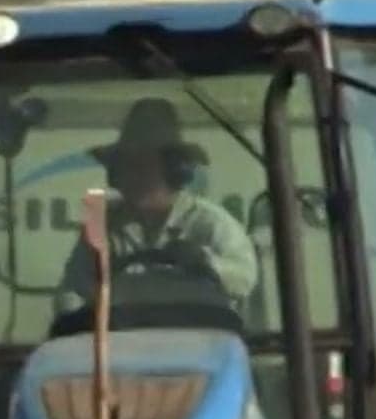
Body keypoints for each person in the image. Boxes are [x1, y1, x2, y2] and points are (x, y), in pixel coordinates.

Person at [54, 97, 259, 318]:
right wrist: (77, 321)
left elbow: (244, 278)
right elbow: (73, 289)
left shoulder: (209, 223)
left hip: (197, 339)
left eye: (143, 168)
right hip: (122, 342)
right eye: (126, 166)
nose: (133, 178)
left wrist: (206, 263)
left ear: (174, 171)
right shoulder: (103, 226)